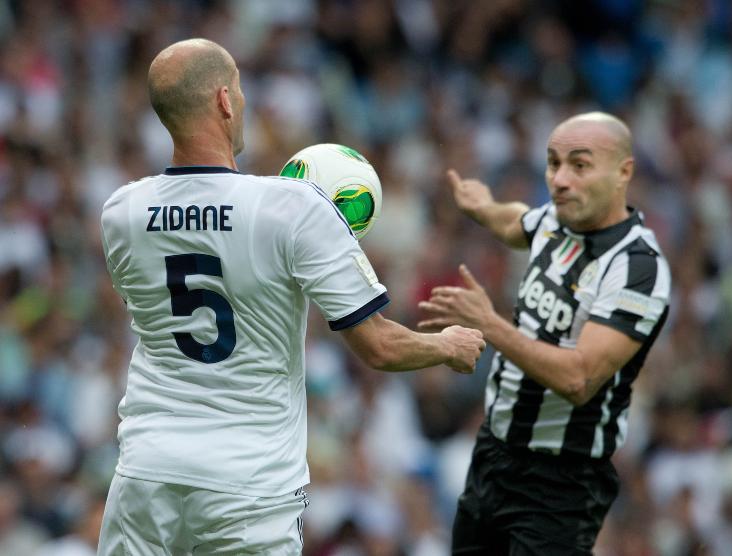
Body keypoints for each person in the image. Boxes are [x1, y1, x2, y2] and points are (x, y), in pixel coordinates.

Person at [97, 38, 485, 555]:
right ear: (224, 101)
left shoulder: (122, 213)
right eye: (239, 88)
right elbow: (379, 347)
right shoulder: (291, 208)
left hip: (146, 475)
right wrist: (448, 345)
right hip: (249, 484)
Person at [418, 112, 671, 555]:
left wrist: (490, 323)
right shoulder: (555, 221)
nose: (560, 179)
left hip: (560, 485)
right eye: (553, 163)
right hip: (493, 456)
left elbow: (579, 379)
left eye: (580, 164)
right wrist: (480, 206)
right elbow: (516, 222)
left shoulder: (637, 268)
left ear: (623, 173)